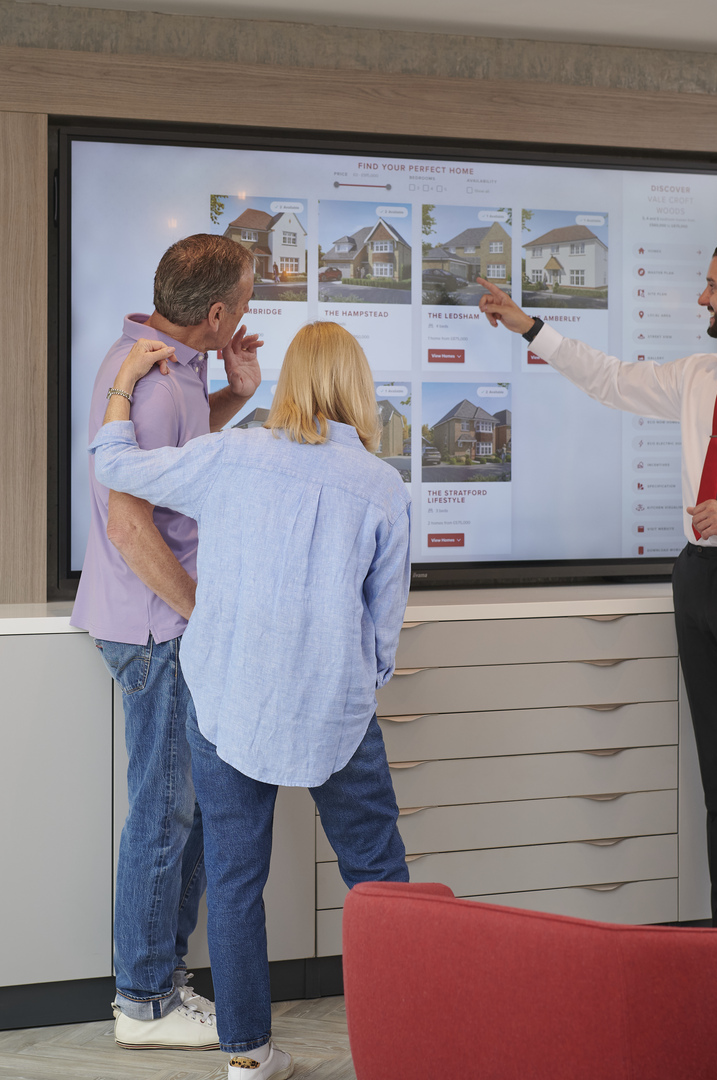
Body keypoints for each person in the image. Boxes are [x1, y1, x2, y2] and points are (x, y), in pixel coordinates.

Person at [478, 238, 717, 932]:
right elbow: (609, 379)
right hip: (698, 579)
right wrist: (530, 326)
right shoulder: (699, 376)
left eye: (713, 284)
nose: (701, 296)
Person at [91, 321, 412, 1080]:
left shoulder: (232, 455)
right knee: (378, 875)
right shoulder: (382, 486)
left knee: (236, 883)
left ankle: (248, 1057)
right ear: (357, 387)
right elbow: (384, 628)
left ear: (290, 381)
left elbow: (115, 463)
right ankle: (406, 1042)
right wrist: (356, 682)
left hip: (229, 698)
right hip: (335, 705)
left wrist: (123, 384)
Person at [70, 233, 263, 1049]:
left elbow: (171, 463)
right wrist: (199, 611)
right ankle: (144, 1001)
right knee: (164, 814)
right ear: (215, 313)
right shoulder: (149, 382)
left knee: (180, 811)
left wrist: (234, 396)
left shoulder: (168, 365)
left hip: (164, 624)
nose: (247, 314)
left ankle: (160, 984)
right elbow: (129, 523)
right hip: (159, 629)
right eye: (245, 303)